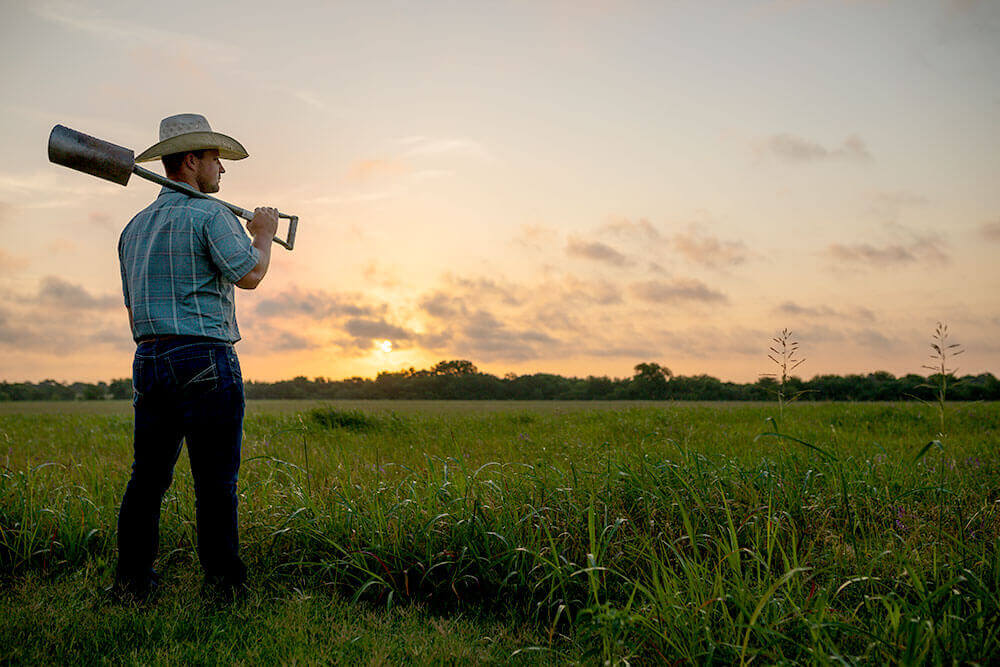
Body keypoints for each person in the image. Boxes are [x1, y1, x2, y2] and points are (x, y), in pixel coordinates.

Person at [113, 113, 279, 600]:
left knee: (147, 481)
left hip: (149, 358)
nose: (222, 171)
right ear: (191, 162)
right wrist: (263, 232)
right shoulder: (211, 215)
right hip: (205, 355)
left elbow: (131, 310)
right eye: (215, 160)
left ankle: (132, 583)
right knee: (215, 481)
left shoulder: (134, 228)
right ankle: (224, 586)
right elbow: (249, 274)